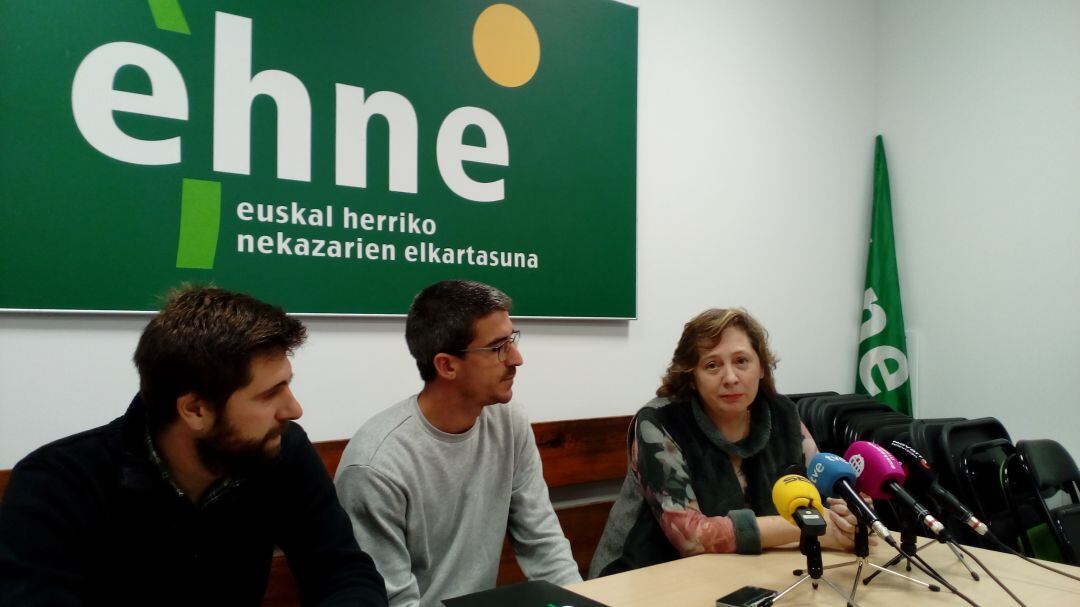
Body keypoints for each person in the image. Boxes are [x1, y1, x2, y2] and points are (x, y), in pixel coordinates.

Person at [0, 286, 388, 607]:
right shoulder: (56, 485)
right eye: (270, 393)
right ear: (195, 409)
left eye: (287, 384)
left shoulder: (281, 450)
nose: (294, 409)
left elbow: (342, 570)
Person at [335, 280, 580, 607]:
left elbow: (543, 543)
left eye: (512, 340)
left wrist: (581, 602)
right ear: (447, 365)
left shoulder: (509, 422)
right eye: (498, 348)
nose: (517, 358)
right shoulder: (375, 466)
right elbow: (395, 602)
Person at [589, 308, 863, 577]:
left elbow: (827, 495)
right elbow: (692, 538)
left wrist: (848, 517)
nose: (730, 378)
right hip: (641, 578)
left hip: (751, 572)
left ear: (762, 368)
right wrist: (811, 527)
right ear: (692, 377)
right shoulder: (658, 423)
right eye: (712, 365)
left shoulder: (783, 415)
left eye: (741, 361)